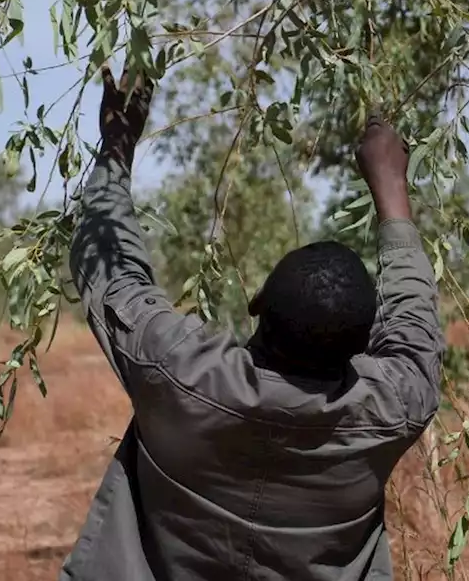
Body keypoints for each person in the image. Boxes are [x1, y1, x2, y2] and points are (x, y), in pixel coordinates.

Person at [62, 65, 444, 581]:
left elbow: (110, 268)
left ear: (258, 303)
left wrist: (117, 145)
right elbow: (412, 326)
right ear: (362, 346)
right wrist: (392, 193)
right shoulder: (389, 409)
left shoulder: (180, 373)